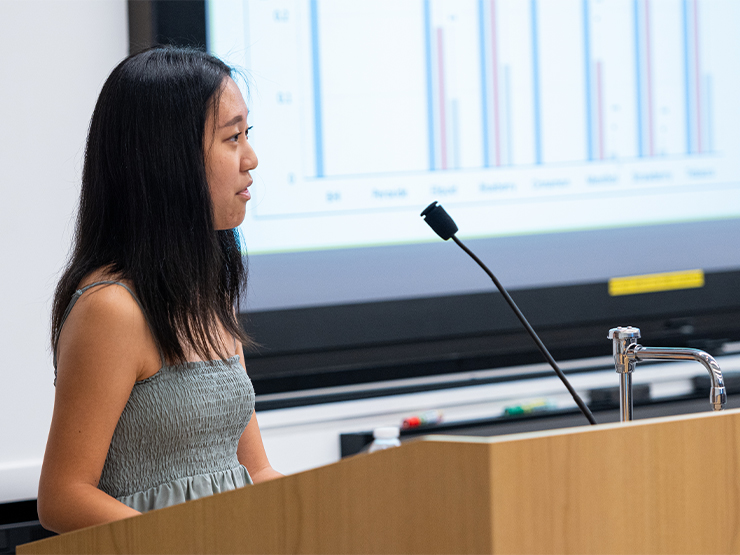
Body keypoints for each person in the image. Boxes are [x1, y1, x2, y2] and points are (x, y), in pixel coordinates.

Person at [37, 46, 281, 534]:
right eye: (232, 138)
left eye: (247, 135)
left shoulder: (206, 298)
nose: (251, 158)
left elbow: (255, 470)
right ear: (170, 159)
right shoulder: (112, 309)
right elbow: (64, 498)